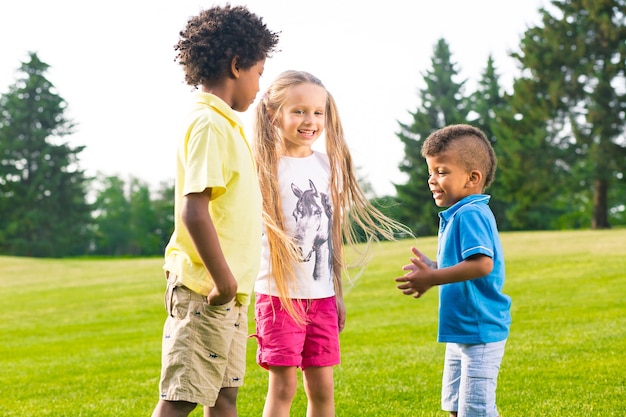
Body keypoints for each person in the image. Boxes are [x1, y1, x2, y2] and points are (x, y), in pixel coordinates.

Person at [252, 70, 412, 417]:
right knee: (284, 388)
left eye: (318, 112)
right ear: (272, 113)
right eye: (299, 111)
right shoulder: (262, 167)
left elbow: (332, 234)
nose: (310, 120)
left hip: (321, 297)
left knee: (322, 389)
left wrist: (336, 292)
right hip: (279, 296)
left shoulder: (326, 165)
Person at [151, 5, 279, 417]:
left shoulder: (226, 125)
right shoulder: (208, 123)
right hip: (207, 290)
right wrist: (223, 281)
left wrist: (233, 287)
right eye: (259, 73)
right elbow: (194, 211)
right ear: (237, 64)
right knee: (182, 396)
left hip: (229, 293)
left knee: (224, 396)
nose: (260, 87)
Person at [395, 124, 512, 417]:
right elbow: (464, 264)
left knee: (477, 411)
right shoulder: (460, 212)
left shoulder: (470, 213)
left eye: (442, 172)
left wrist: (433, 277)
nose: (432, 180)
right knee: (456, 407)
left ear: (473, 178)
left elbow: (483, 264)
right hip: (462, 331)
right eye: (431, 172)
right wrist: (435, 267)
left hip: (479, 331)